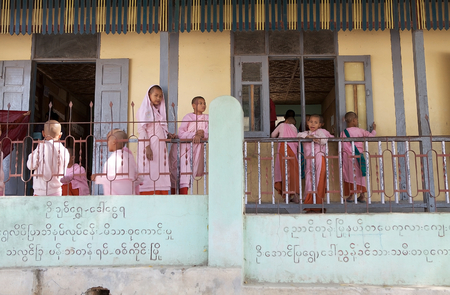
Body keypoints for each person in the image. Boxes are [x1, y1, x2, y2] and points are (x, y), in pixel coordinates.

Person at [136, 85, 176, 195]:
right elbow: (142, 130)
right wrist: (147, 147)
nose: (158, 98)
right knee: (148, 170)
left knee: (160, 170)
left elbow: (160, 128)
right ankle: (147, 193)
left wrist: (168, 135)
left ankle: (161, 191)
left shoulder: (157, 112)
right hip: (150, 146)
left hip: (160, 147)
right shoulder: (144, 111)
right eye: (156, 95)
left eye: (160, 96)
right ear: (149, 95)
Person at [169, 96, 209, 194]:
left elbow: (209, 132)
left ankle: (184, 197)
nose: (203, 105)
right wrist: (194, 135)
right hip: (183, 148)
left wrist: (202, 134)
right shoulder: (188, 117)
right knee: (176, 172)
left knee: (187, 173)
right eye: (200, 103)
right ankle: (175, 197)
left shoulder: (207, 118)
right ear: (193, 105)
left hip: (195, 149)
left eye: (204, 103)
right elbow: (181, 133)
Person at [340, 111, 376, 203]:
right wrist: (374, 129)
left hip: (348, 157)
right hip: (359, 156)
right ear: (354, 120)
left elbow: (342, 146)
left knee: (350, 175)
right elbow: (371, 136)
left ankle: (351, 196)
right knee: (360, 175)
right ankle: (362, 195)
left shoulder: (343, 133)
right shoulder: (360, 131)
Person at [297, 114, 331, 213]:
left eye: (315, 122)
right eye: (310, 121)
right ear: (307, 122)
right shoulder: (305, 133)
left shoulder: (321, 132)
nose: (312, 124)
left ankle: (318, 204)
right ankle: (309, 204)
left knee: (318, 180)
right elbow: (298, 135)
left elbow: (324, 140)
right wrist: (308, 136)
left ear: (320, 124)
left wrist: (315, 137)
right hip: (309, 160)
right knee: (309, 180)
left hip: (319, 158)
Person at [91, 129, 141, 195]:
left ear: (114, 141)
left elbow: (113, 179)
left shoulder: (114, 158)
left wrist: (98, 178)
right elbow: (138, 177)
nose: (107, 143)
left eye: (108, 140)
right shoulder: (130, 157)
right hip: (130, 196)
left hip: (117, 199)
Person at [27, 120, 70, 196]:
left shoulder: (41, 147)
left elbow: (30, 165)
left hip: (40, 191)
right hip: (57, 191)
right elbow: (64, 173)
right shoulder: (65, 151)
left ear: (43, 133)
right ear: (60, 135)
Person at [271, 116, 300, 203]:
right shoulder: (295, 129)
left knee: (284, 172)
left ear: (286, 121)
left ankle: (286, 196)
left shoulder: (282, 125)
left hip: (283, 149)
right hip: (293, 152)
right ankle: (295, 195)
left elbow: (273, 135)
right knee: (294, 172)